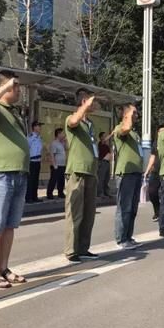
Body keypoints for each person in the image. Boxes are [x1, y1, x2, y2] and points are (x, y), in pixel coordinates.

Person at [0, 71, 29, 289]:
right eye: (16, 87)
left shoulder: (14, 112)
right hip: (1, 173)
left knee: (10, 225)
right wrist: (5, 85)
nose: (19, 90)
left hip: (19, 174)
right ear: (6, 87)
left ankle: (4, 267)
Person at [64, 88, 99, 262]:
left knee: (88, 214)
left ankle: (84, 248)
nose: (95, 104)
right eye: (91, 100)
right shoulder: (72, 118)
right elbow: (73, 121)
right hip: (77, 171)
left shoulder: (90, 124)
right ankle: (71, 250)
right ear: (83, 101)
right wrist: (85, 107)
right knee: (75, 213)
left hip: (91, 172)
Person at [113, 104, 143, 249]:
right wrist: (128, 117)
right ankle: (121, 239)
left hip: (136, 173)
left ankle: (128, 236)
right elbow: (125, 129)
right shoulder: (120, 128)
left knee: (132, 208)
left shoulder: (135, 133)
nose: (137, 115)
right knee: (124, 207)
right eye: (134, 113)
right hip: (126, 174)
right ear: (126, 115)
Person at [47, 128, 67, 199]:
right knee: (53, 179)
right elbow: (52, 154)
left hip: (62, 165)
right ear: (58, 134)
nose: (64, 135)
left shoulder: (62, 143)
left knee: (61, 180)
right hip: (56, 165)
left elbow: (66, 149)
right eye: (62, 133)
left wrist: (65, 142)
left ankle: (60, 193)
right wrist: (54, 164)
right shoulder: (54, 143)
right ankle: (49, 194)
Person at [26, 120, 44, 203]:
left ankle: (34, 196)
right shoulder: (30, 137)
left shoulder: (40, 138)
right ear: (34, 127)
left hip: (38, 161)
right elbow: (27, 148)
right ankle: (28, 197)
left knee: (36, 180)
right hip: (32, 161)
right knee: (30, 180)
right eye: (38, 126)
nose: (40, 128)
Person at [97, 131, 113, 197]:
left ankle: (106, 192)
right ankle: (100, 193)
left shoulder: (106, 146)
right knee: (101, 178)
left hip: (107, 162)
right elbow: (105, 140)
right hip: (102, 162)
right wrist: (111, 134)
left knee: (107, 178)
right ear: (101, 137)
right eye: (104, 136)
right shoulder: (100, 144)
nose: (105, 137)